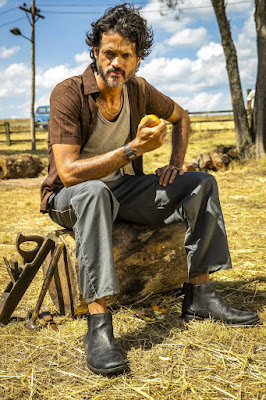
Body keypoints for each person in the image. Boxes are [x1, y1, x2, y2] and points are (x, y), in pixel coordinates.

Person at [40, 4, 259, 375]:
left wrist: (176, 162)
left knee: (201, 183)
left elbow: (181, 116)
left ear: (138, 60)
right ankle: (99, 324)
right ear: (95, 51)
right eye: (109, 52)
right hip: (70, 197)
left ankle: (200, 294)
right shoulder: (69, 93)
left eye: (126, 55)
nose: (116, 63)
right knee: (94, 192)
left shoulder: (138, 90)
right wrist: (132, 150)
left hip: (123, 189)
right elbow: (68, 171)